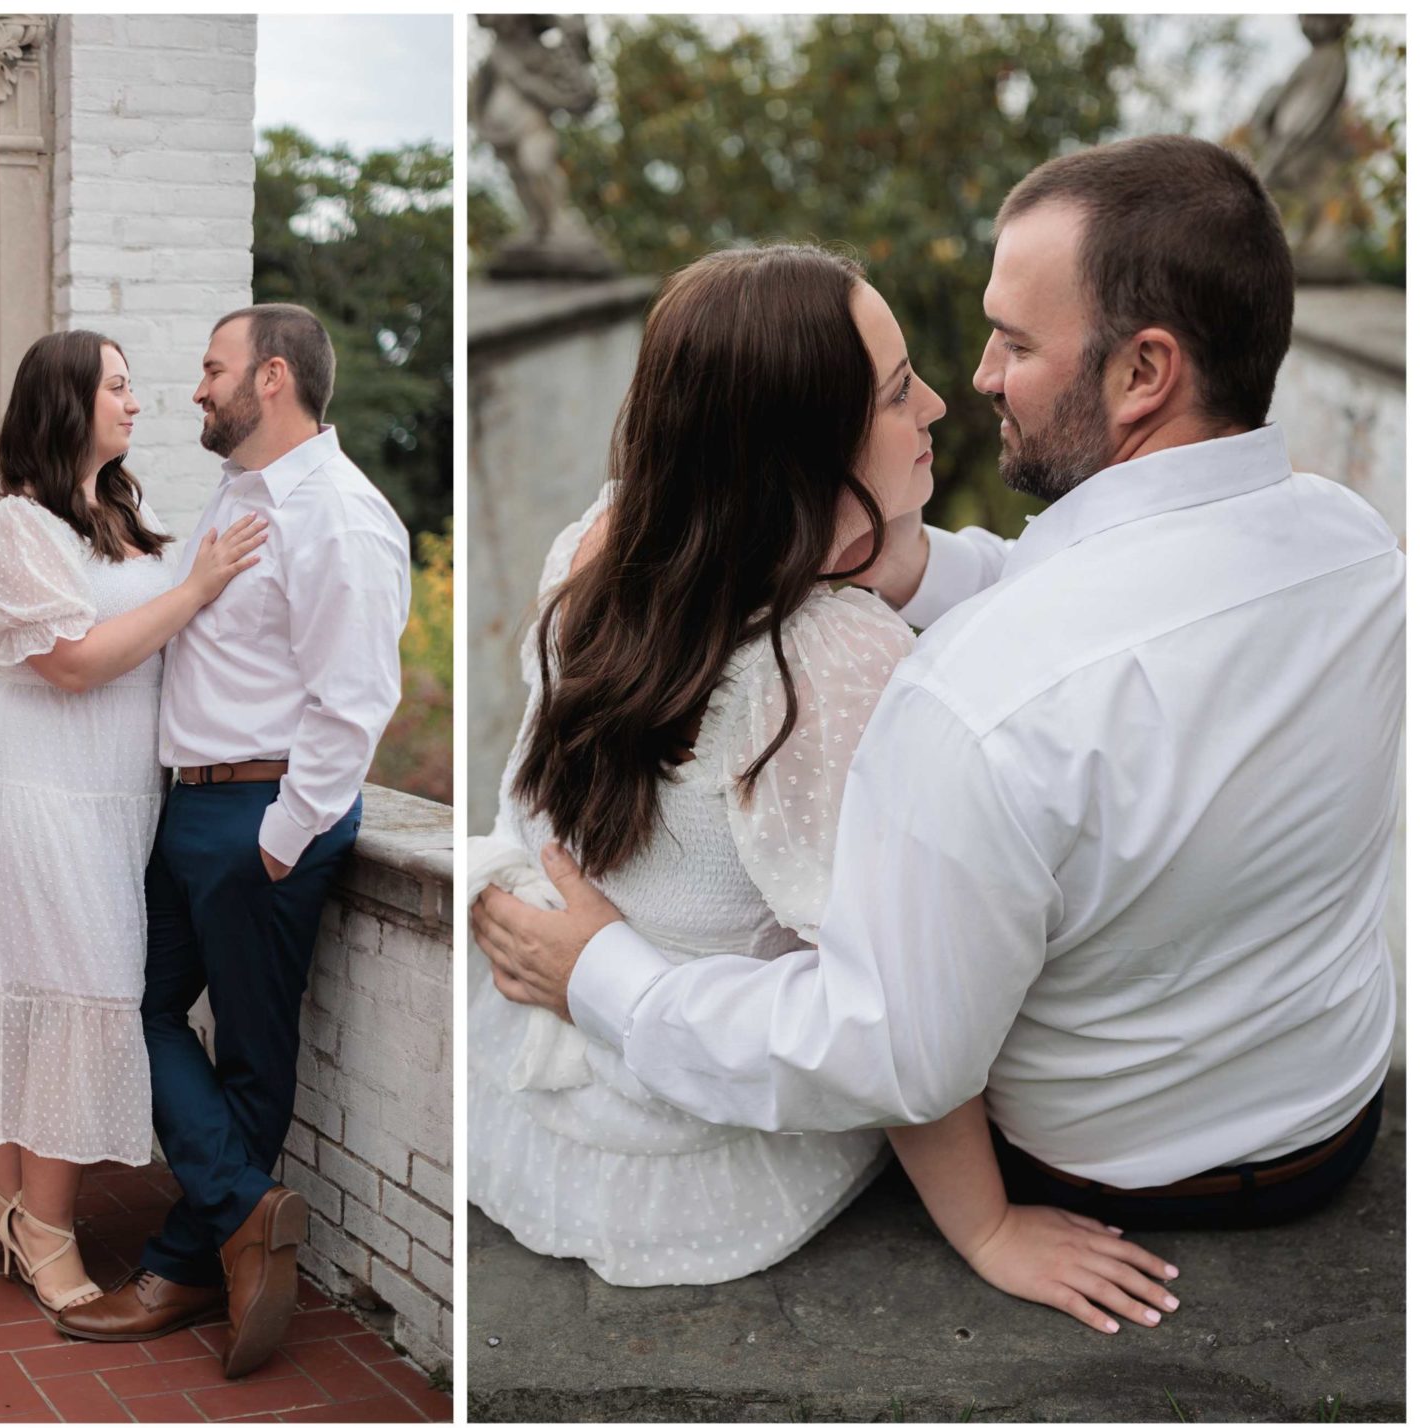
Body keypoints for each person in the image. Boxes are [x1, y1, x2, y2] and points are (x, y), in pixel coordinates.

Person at [475, 135, 1403, 1333]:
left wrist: (603, 975)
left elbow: (887, 1053)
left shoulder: (966, 701)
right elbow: (1085, 595)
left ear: (1144, 373)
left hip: (1108, 1180)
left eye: (1015, 342)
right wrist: (900, 563)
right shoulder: (1357, 546)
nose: (975, 378)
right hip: (1335, 1117)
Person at [469, 242, 942, 1285]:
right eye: (902, 393)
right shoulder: (828, 656)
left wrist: (882, 545)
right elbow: (900, 1008)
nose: (939, 407)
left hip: (551, 1104)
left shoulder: (600, 547)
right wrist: (988, 1229)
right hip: (704, 1144)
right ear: (801, 455)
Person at [59, 304, 412, 1378]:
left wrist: (283, 836)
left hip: (262, 815)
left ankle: (181, 1266)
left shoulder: (343, 518)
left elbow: (356, 701)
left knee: (254, 1054)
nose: (195, 389)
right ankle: (249, 1216)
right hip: (191, 804)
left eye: (212, 370)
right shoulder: (238, 494)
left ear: (270, 378)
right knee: (137, 1005)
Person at [0, 330, 267, 1323]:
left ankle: (2, 1196)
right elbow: (74, 661)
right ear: (66, 401)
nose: (136, 401)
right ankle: (45, 1228)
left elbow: (174, 641)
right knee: (76, 991)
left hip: (120, 792)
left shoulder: (130, 510)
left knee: (59, 991)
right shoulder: (12, 528)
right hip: (36, 787)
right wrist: (199, 587)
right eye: (117, 386)